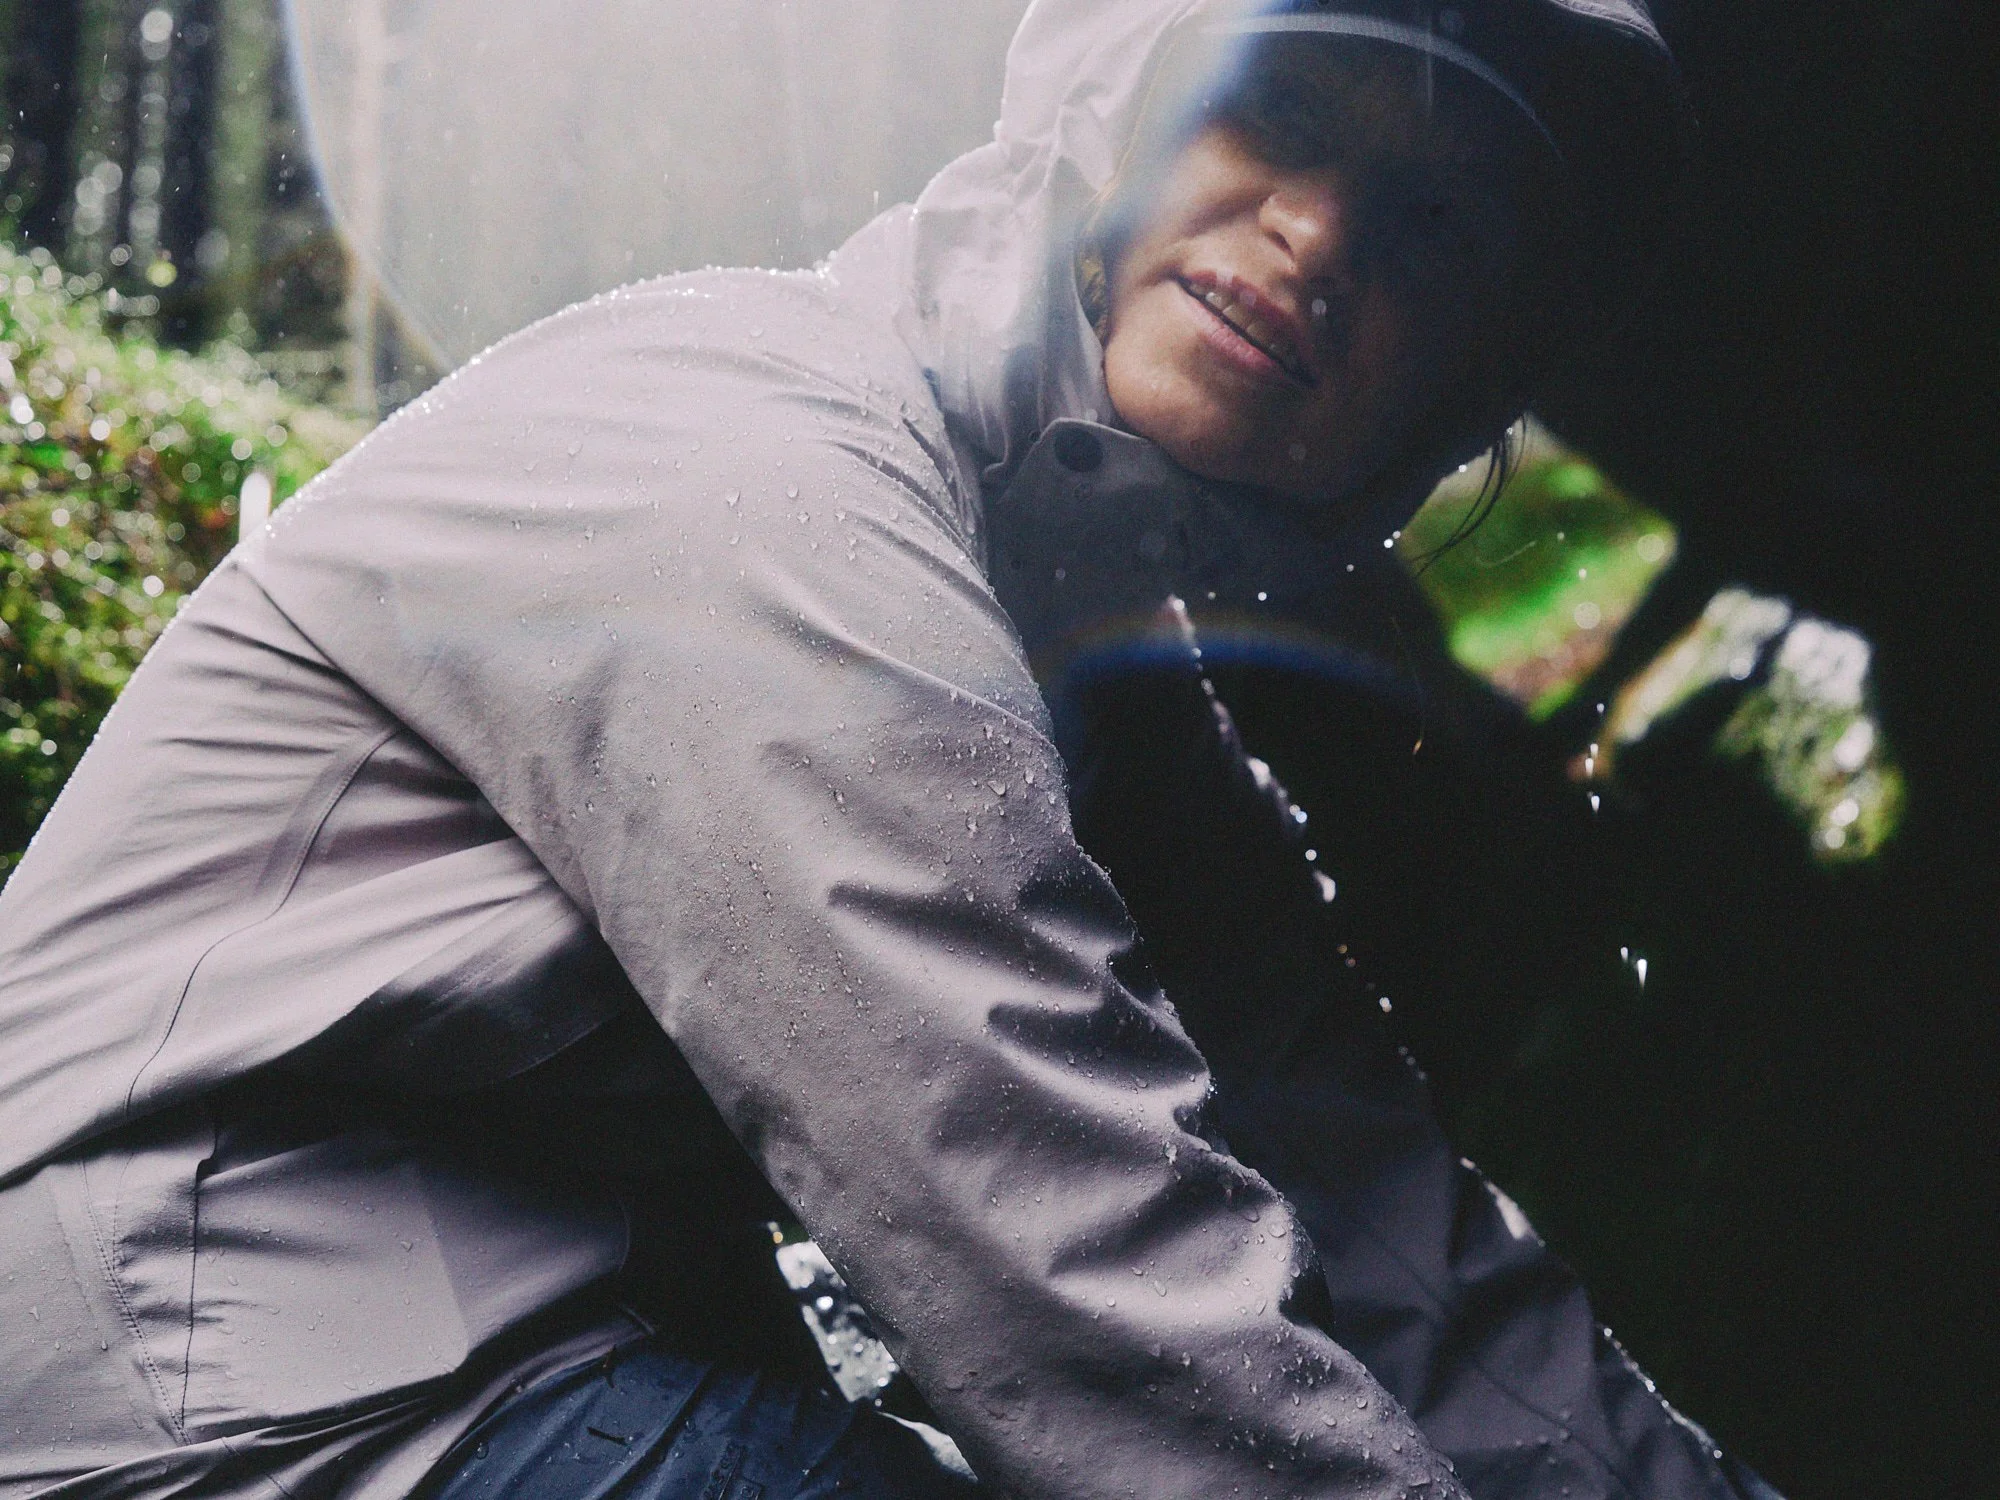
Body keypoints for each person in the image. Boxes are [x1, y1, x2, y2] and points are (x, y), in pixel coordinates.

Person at [0, 2, 1782, 1497]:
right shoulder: (773, 472)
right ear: (1116, 129)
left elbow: (1374, 1207)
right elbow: (1061, 1252)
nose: (1320, 234)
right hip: (201, 1385)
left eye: (1434, 226)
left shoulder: (1096, 648)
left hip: (495, 1366)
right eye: (1281, 116)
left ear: (1450, 390)